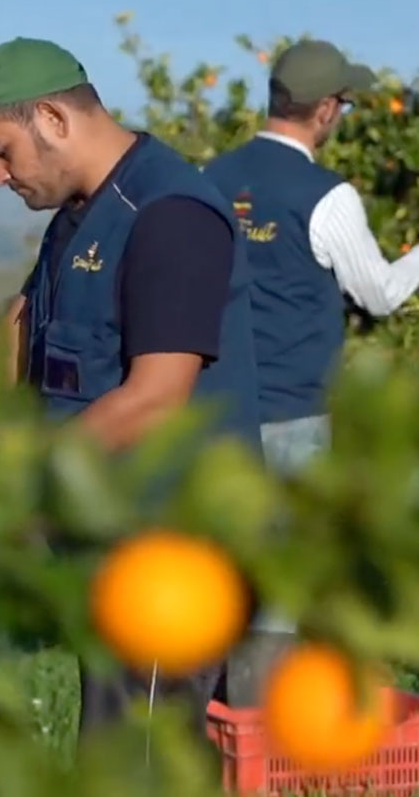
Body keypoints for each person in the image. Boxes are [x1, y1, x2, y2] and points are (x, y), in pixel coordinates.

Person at [0, 36, 263, 737]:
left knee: (134, 764)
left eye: (0, 153)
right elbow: (24, 327)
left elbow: (153, 398)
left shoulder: (169, 216)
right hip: (109, 548)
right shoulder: (76, 218)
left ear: (52, 119)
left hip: (169, 555)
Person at [201, 38, 419, 702]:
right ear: (325, 109)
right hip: (294, 410)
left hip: (217, 408)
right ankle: (269, 735)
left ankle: (220, 723)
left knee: (231, 569)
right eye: (345, 105)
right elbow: (378, 294)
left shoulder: (212, 176)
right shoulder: (328, 196)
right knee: (286, 583)